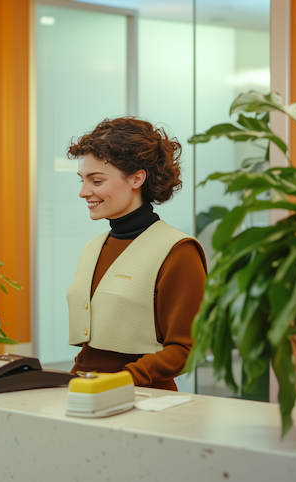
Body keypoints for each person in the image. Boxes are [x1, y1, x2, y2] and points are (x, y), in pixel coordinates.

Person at [66, 117, 207, 391]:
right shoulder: (93, 247)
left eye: (96, 180)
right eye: (82, 180)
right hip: (86, 392)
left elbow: (188, 347)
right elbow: (92, 350)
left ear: (136, 178)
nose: (84, 192)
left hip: (143, 399)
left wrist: (124, 379)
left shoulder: (178, 250)